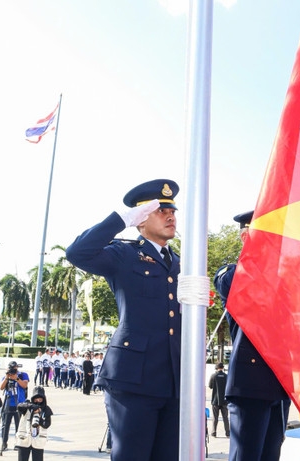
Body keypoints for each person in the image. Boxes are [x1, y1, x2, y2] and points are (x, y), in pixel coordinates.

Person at [66, 179, 182, 461]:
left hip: (174, 380)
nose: (170, 216)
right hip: (133, 378)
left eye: (173, 211)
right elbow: (77, 253)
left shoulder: (181, 263)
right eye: (160, 210)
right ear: (141, 220)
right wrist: (122, 219)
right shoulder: (124, 254)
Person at [214, 211, 291, 461]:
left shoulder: (284, 277)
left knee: (271, 455)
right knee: (246, 456)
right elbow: (241, 288)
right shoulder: (231, 273)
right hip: (250, 382)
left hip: (279, 383)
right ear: (246, 236)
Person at [0, 361, 30, 453]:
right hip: (8, 403)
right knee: (5, 425)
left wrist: (16, 378)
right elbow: (1, 387)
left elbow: (24, 385)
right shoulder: (6, 376)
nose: (13, 370)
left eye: (14, 368)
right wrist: (6, 378)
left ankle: (18, 443)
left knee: (19, 425)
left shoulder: (23, 375)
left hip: (20, 403)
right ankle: (4, 442)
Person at [15, 386, 53, 461]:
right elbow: (19, 406)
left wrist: (39, 419)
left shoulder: (46, 409)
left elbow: (47, 424)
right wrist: (32, 407)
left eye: (40, 399)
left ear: (44, 399)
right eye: (36, 399)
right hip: (24, 439)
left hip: (38, 441)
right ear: (33, 398)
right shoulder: (27, 405)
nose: (38, 401)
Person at [208, 362, 229, 438]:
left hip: (215, 400)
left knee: (215, 417)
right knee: (225, 417)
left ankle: (214, 432)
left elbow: (210, 386)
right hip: (224, 400)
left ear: (216, 368)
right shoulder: (226, 376)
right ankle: (227, 432)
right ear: (223, 368)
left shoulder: (213, 376)